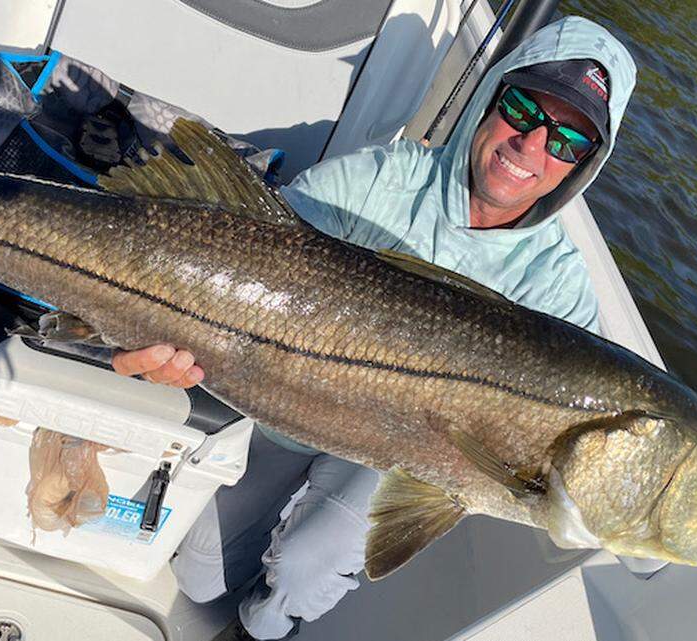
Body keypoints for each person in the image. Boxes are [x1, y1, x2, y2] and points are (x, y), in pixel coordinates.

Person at [112, 16, 636, 641]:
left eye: (569, 141)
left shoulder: (560, 291)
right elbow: (251, 252)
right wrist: (144, 345)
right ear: (490, 98)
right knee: (198, 578)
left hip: (408, 451)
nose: (532, 144)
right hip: (288, 405)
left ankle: (265, 627)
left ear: (584, 166)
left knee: (308, 566)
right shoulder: (380, 181)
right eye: (522, 108)